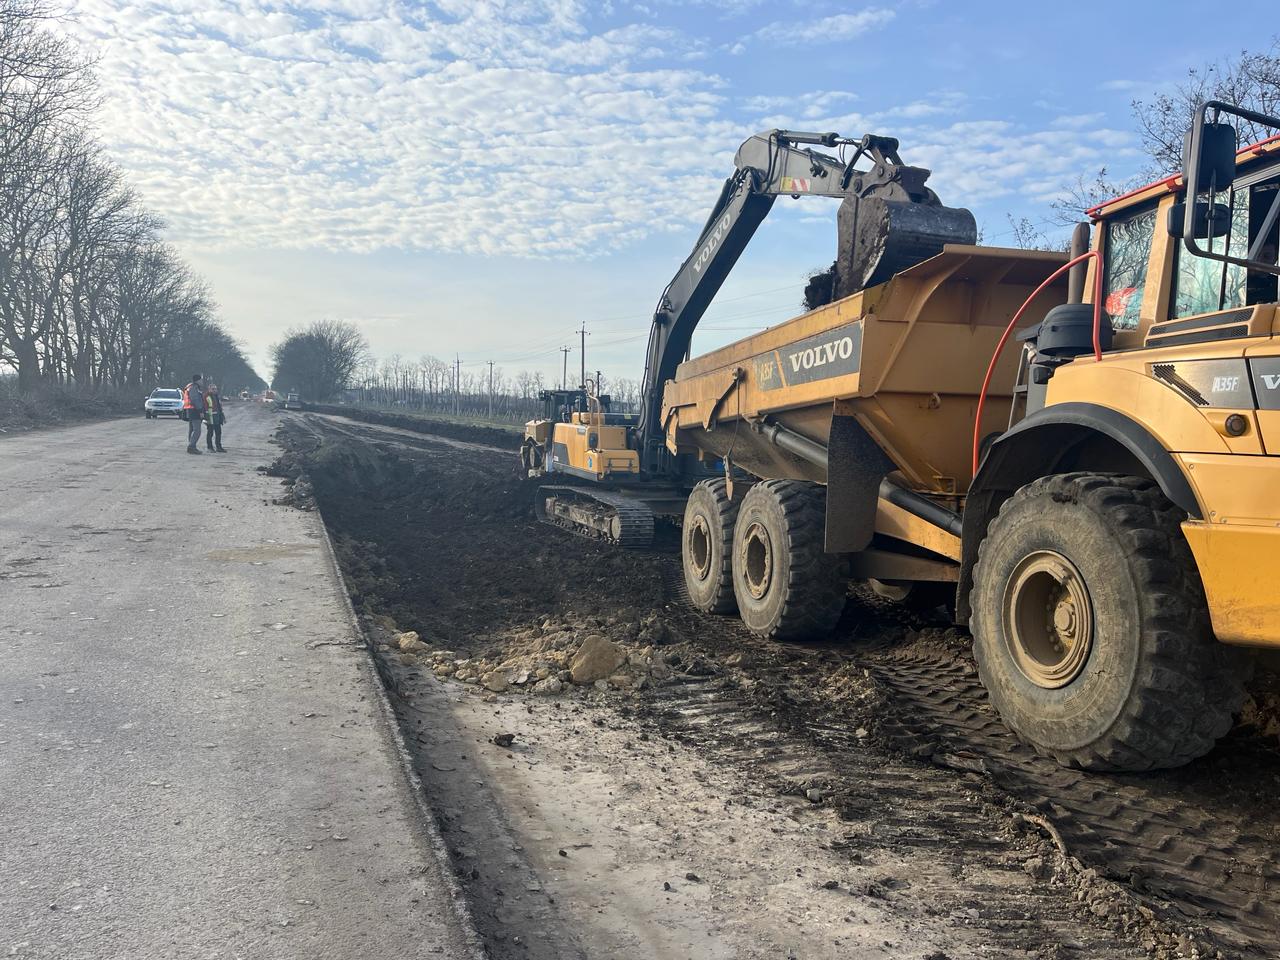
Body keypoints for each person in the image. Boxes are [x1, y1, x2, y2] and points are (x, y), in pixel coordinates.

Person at [182, 373, 205, 454]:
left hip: (190, 410)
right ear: (197, 380)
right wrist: (200, 411)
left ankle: (191, 445)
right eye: (201, 380)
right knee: (197, 430)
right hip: (194, 410)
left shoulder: (190, 387)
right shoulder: (194, 388)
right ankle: (192, 446)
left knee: (192, 429)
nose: (202, 382)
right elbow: (195, 400)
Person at [204, 383, 226, 453]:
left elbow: (219, 407)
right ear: (209, 389)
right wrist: (205, 418)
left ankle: (218, 447)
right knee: (210, 433)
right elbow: (205, 407)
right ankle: (209, 448)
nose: (214, 390)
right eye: (213, 389)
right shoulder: (206, 396)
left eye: (215, 389)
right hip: (210, 417)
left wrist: (222, 417)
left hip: (217, 417)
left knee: (218, 432)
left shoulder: (216, 396)